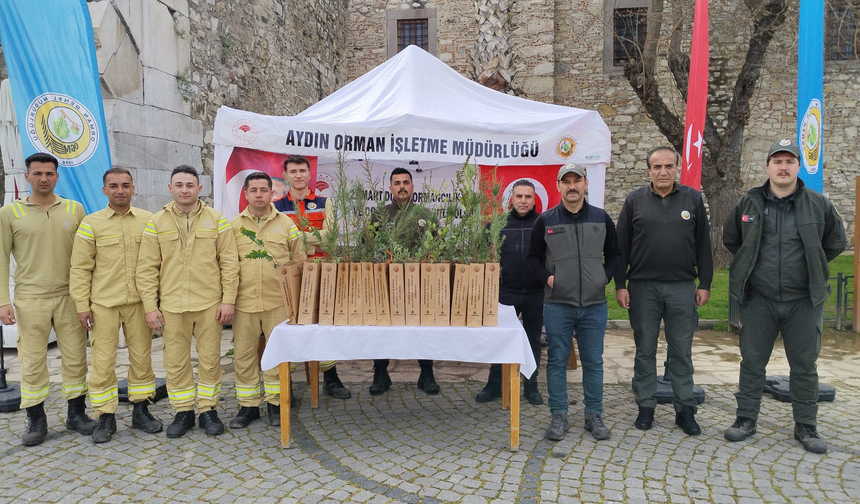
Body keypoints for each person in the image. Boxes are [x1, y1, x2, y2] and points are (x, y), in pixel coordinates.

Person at [722, 139, 846, 454]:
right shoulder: (748, 203)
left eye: (789, 161)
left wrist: (813, 267)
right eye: (777, 161)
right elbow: (732, 240)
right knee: (752, 361)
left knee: (804, 365)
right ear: (768, 167)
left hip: (803, 300)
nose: (783, 167)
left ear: (798, 167)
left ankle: (806, 425)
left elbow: (835, 242)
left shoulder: (818, 204)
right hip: (759, 299)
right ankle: (745, 419)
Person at [614, 146, 713, 435]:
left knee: (681, 351)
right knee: (645, 350)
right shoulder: (635, 201)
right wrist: (621, 285)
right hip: (643, 287)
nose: (663, 172)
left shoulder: (692, 199)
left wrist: (704, 283)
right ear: (649, 170)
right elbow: (621, 247)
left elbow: (704, 245)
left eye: (669, 166)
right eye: (657, 167)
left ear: (676, 169)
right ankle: (646, 406)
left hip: (682, 287)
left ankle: (685, 409)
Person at [0, 153, 96, 446]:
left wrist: (87, 298)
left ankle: (76, 413)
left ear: (57, 177)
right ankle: (36, 418)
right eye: (38, 173)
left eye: (49, 174)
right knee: (31, 360)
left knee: (76, 356)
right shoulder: (9, 214)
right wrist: (4, 300)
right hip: (30, 297)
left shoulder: (74, 209)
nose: (43, 178)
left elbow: (89, 256)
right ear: (27, 176)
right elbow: (1, 258)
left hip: (70, 295)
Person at [136, 165, 240, 438]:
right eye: (179, 185)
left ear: (199, 189)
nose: (184, 190)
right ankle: (183, 412)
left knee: (209, 360)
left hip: (209, 304)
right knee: (176, 361)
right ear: (170, 188)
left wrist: (228, 300)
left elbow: (229, 263)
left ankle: (208, 411)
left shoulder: (217, 220)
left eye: (189, 185)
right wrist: (150, 306)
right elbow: (147, 267)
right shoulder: (156, 222)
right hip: (172, 305)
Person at [527, 163, 620, 441]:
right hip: (558, 304)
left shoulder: (601, 219)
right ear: (558, 186)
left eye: (576, 180)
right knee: (556, 361)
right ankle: (559, 415)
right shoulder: (545, 221)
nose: (571, 186)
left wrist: (603, 277)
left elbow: (616, 255)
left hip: (594, 304)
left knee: (594, 361)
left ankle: (594, 414)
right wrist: (550, 279)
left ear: (585, 184)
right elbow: (533, 259)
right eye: (565, 181)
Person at [70, 168, 164, 443]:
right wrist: (81, 304)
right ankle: (105, 417)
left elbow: (157, 263)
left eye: (125, 185)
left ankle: (141, 410)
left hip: (138, 303)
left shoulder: (148, 220)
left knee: (142, 359)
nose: (120, 190)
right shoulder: (91, 223)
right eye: (113, 186)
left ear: (133, 188)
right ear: (104, 190)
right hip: (103, 305)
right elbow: (80, 267)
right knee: (102, 362)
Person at [229, 172, 305, 429]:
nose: (259, 194)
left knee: (278, 356)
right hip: (244, 303)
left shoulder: (286, 224)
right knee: (244, 356)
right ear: (246, 194)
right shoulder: (233, 226)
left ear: (273, 193)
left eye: (264, 189)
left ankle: (276, 404)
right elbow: (227, 265)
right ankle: (248, 407)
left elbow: (299, 262)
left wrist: (296, 301)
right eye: (254, 190)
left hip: (278, 303)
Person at [274, 154, 350, 399]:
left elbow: (330, 237)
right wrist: (310, 240)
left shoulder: (324, 202)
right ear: (285, 175)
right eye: (293, 171)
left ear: (309, 174)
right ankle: (289, 381)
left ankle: (331, 377)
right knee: (291, 326)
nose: (298, 175)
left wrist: (297, 239)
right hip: (291, 276)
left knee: (323, 325)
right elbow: (279, 243)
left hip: (320, 274)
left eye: (302, 171)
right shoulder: (277, 207)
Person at [369, 167, 440, 395]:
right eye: (397, 182)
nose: (401, 186)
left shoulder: (425, 215)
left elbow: (436, 248)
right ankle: (380, 373)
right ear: (390, 188)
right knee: (382, 328)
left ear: (412, 186)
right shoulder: (380, 215)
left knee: (423, 327)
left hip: (419, 283)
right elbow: (369, 246)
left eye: (406, 182)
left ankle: (426, 373)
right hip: (387, 283)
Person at [475, 179, 544, 406]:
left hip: (536, 293)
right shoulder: (496, 225)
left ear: (535, 199)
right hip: (505, 292)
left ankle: (531, 385)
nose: (523, 201)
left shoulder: (543, 223)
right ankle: (494, 384)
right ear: (511, 199)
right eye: (519, 196)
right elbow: (483, 258)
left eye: (528, 197)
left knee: (533, 340)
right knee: (500, 341)